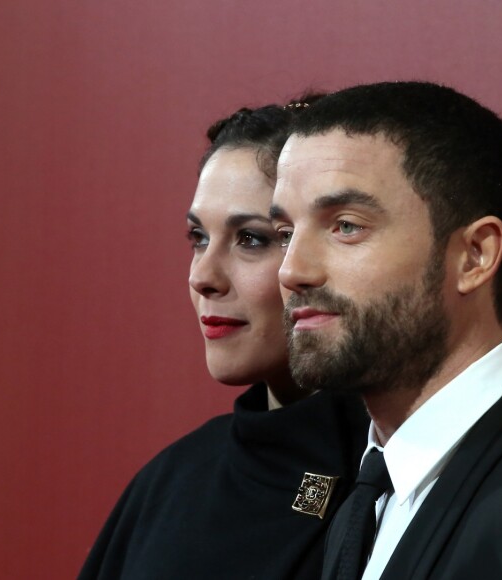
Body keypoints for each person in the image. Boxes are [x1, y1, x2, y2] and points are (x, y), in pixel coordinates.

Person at [270, 81, 502, 579]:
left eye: (345, 225)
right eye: (284, 234)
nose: (291, 270)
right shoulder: (363, 498)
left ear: (474, 255)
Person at [77, 97, 369, 579]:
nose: (203, 277)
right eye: (198, 238)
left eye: (250, 239)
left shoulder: (401, 482)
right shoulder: (171, 480)